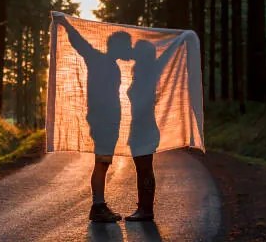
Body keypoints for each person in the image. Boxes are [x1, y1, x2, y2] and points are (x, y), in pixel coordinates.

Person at [57, 15, 132, 223]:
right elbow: (80, 44)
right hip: (102, 122)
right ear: (118, 47)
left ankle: (99, 205)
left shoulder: (106, 61)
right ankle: (97, 207)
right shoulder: (98, 59)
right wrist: (65, 24)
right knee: (101, 163)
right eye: (127, 46)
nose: (130, 50)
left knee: (103, 163)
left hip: (107, 122)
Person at [125, 38, 180, 221]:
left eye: (137, 50)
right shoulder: (141, 73)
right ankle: (144, 207)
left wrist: (180, 39)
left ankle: (146, 210)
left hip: (145, 127)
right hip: (139, 127)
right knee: (143, 169)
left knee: (145, 169)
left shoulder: (150, 74)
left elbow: (165, 57)